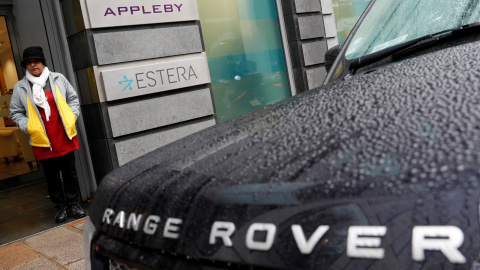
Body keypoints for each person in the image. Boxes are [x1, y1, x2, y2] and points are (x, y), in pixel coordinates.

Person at [9, 46, 86, 223]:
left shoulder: (58, 79)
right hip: (42, 140)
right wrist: (28, 126)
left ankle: (73, 204)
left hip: (64, 135)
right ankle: (60, 207)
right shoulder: (21, 87)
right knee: (52, 177)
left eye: (36, 61)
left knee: (70, 173)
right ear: (26, 66)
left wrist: (71, 117)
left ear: (43, 62)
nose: (33, 65)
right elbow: (15, 112)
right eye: (28, 63)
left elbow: (73, 99)